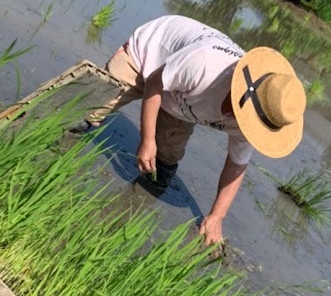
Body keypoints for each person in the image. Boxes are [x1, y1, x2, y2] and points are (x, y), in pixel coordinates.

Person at [72, 15, 306, 246]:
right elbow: (154, 81)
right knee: (86, 110)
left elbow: (237, 163)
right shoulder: (205, 64)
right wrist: (147, 139)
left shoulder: (255, 122)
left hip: (183, 101)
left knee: (163, 167)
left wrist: (217, 216)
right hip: (147, 57)